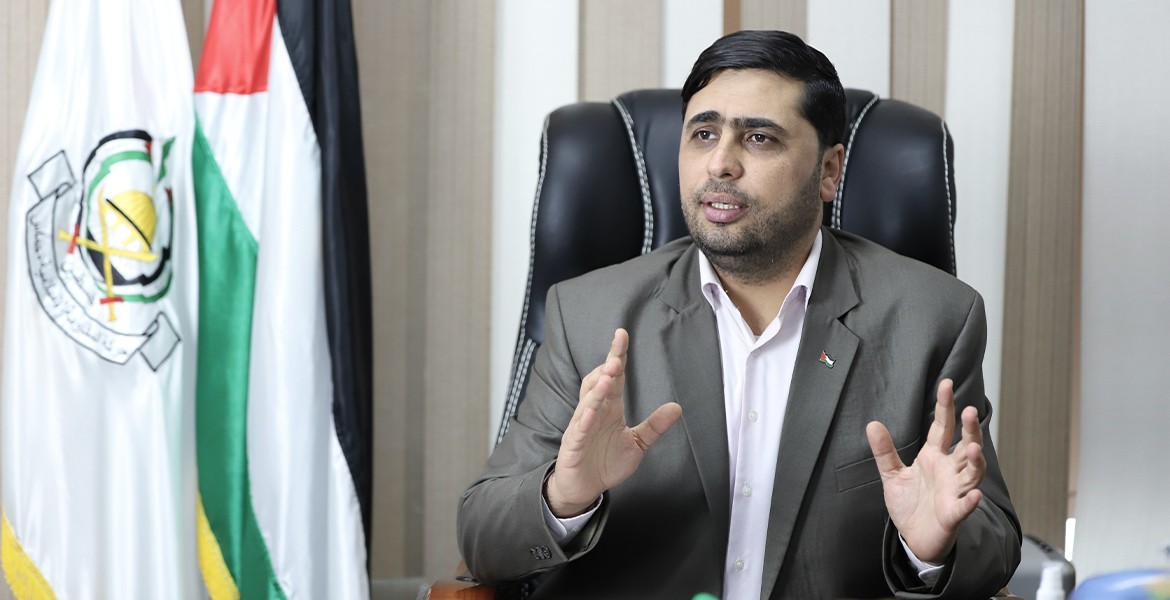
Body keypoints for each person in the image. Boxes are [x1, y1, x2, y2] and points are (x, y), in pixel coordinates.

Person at [458, 30, 1020, 599]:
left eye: (759, 138)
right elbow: (482, 539)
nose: (720, 163)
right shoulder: (588, 314)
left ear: (829, 171)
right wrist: (564, 497)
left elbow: (993, 541)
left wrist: (930, 550)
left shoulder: (933, 318)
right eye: (703, 134)